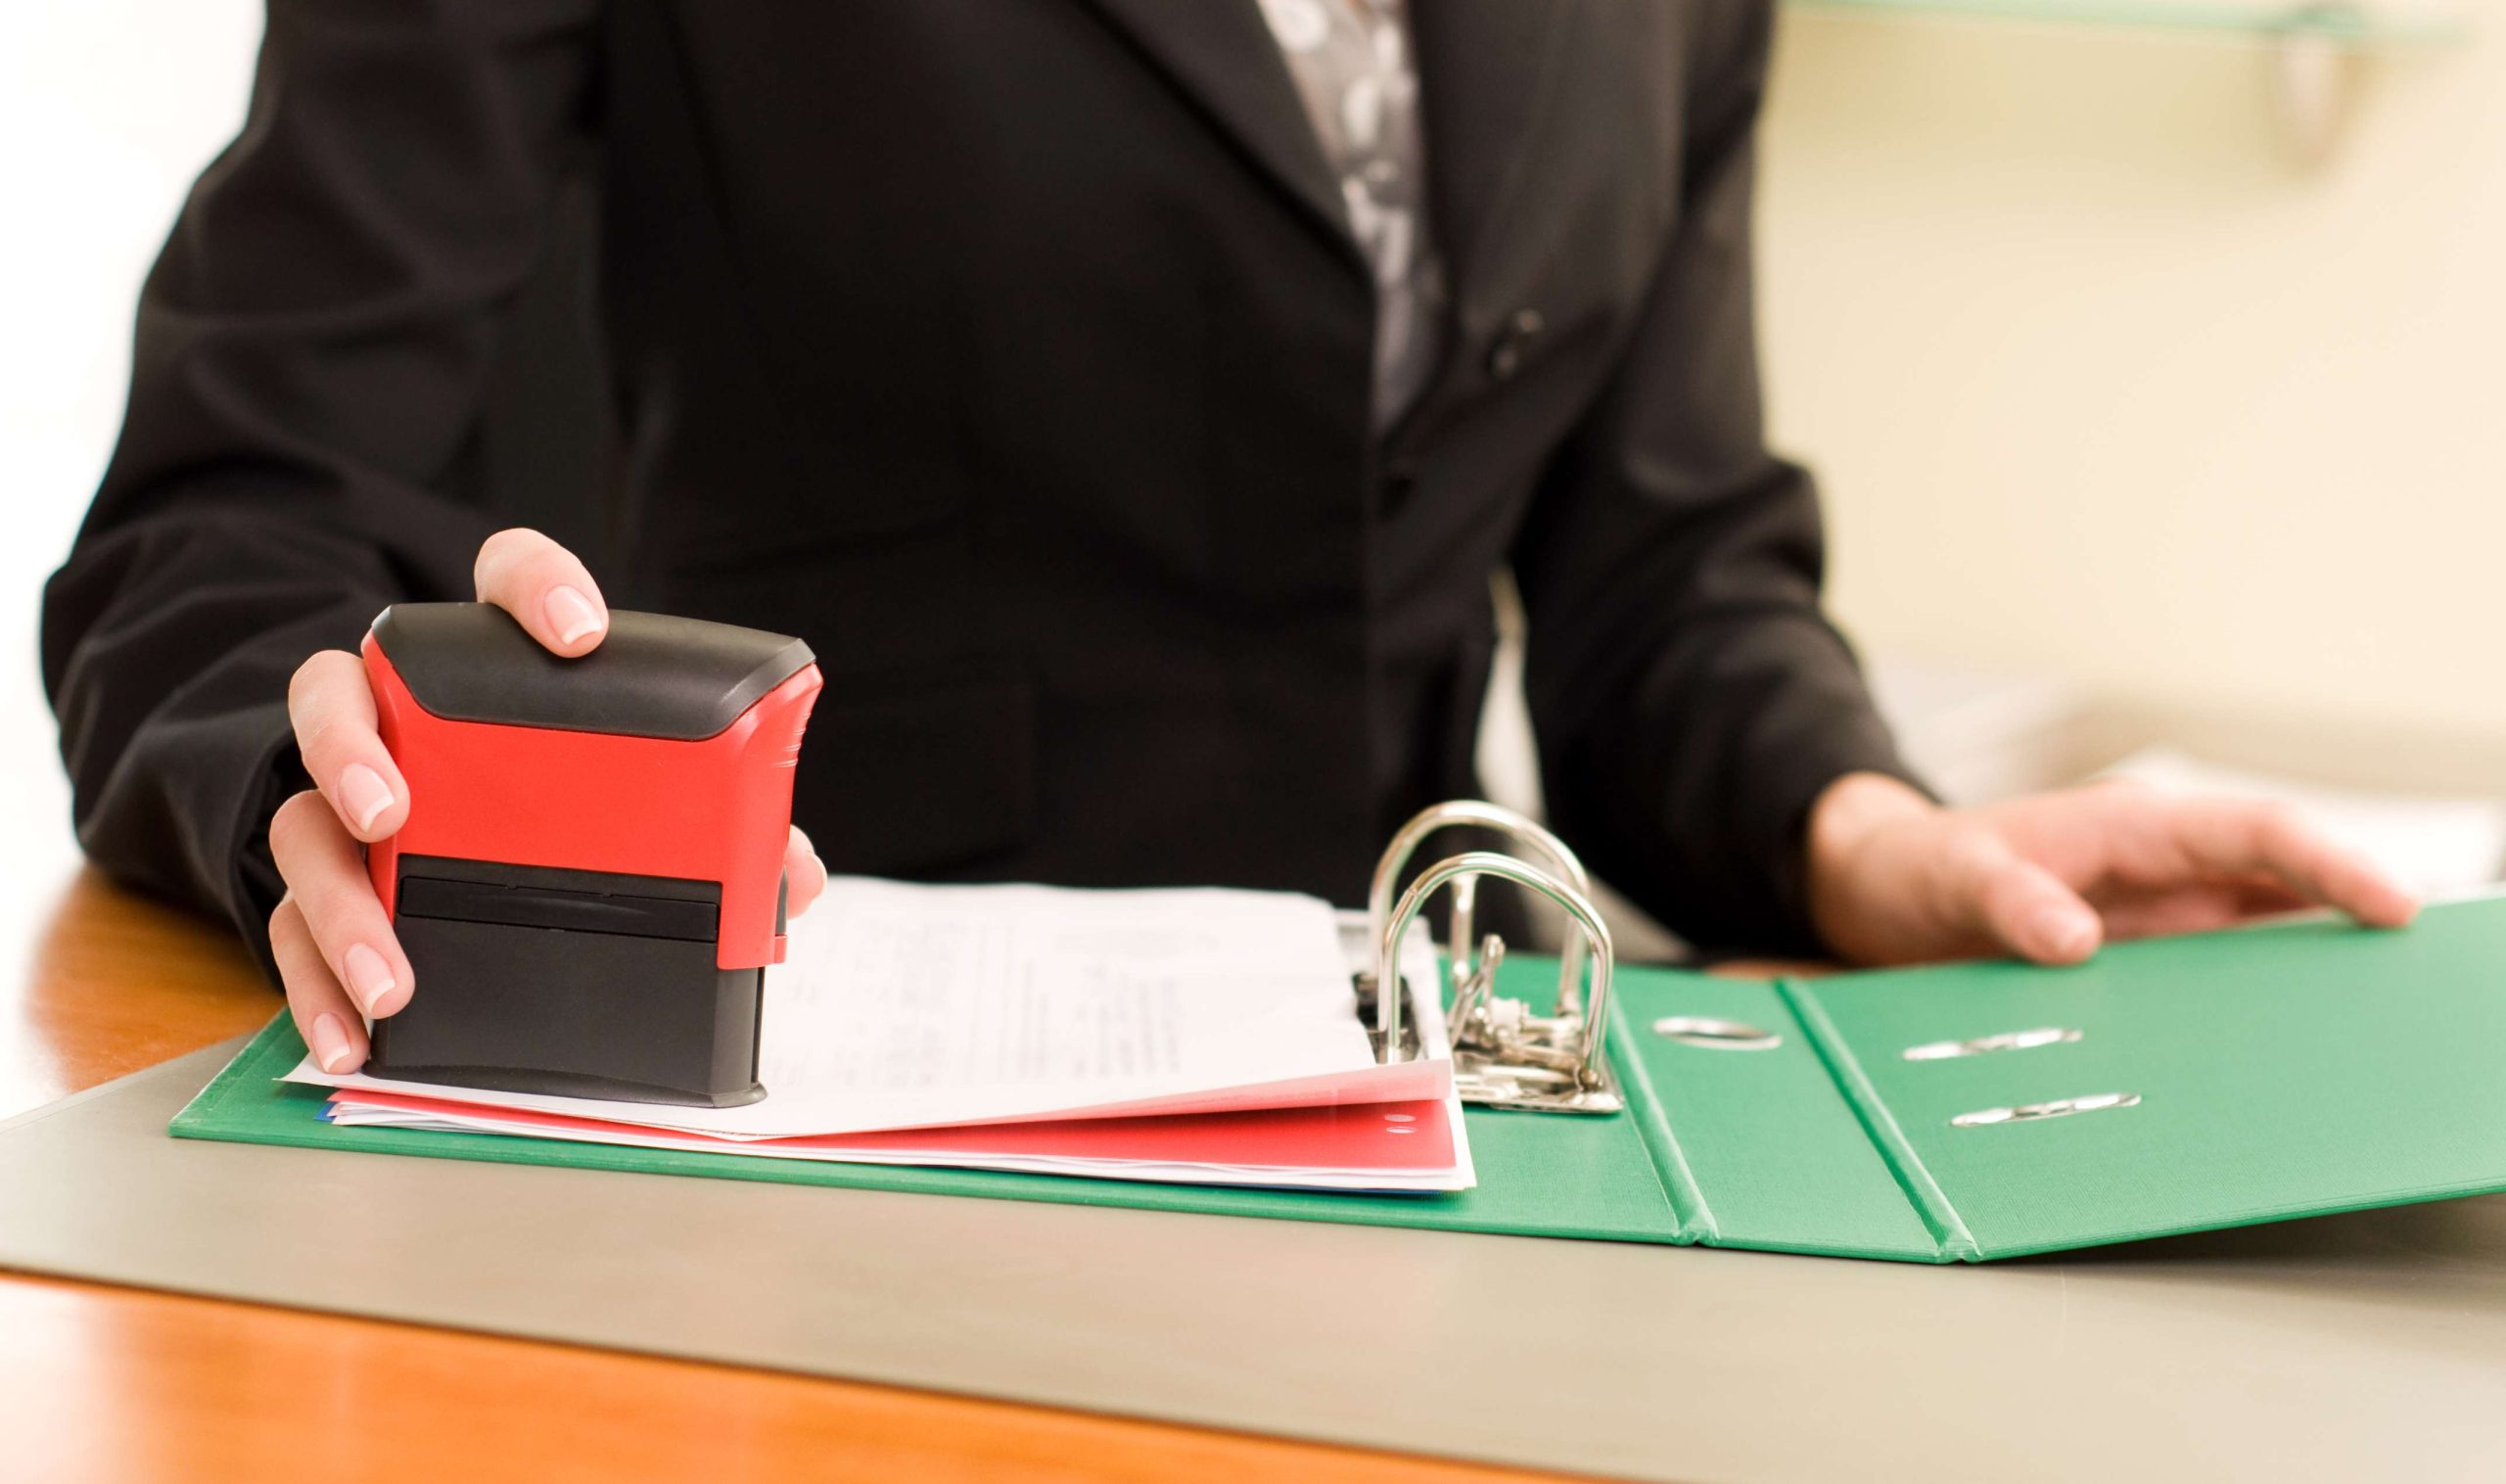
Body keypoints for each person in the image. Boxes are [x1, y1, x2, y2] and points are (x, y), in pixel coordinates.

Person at [42, 0, 2414, 1075]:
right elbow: (224, 517)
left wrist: (1868, 827)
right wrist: (309, 771)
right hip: (808, 1137)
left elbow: (1662, 575)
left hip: (1413, 1149)